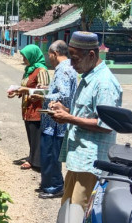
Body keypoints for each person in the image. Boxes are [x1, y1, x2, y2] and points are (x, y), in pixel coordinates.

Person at [48, 31, 122, 208]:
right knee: (68, 203)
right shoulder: (89, 77)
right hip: (78, 157)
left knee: (79, 210)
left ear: (91, 55)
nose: (72, 65)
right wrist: (64, 111)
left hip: (91, 162)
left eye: (74, 59)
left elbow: (106, 125)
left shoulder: (104, 84)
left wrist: (69, 118)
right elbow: (84, 113)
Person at [37, 40, 78, 199]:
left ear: (54, 54)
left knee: (50, 155)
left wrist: (43, 95)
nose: (49, 59)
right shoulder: (69, 67)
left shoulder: (62, 70)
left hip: (55, 123)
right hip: (56, 122)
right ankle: (50, 184)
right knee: (51, 155)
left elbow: (64, 95)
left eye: (49, 55)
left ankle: (54, 187)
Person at [8, 44, 50, 170]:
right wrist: (16, 92)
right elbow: (25, 87)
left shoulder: (41, 70)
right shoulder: (29, 70)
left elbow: (44, 92)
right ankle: (33, 159)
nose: (23, 60)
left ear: (32, 56)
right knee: (31, 135)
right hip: (28, 108)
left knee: (37, 135)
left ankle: (37, 162)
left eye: (25, 57)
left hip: (37, 109)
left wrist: (26, 90)